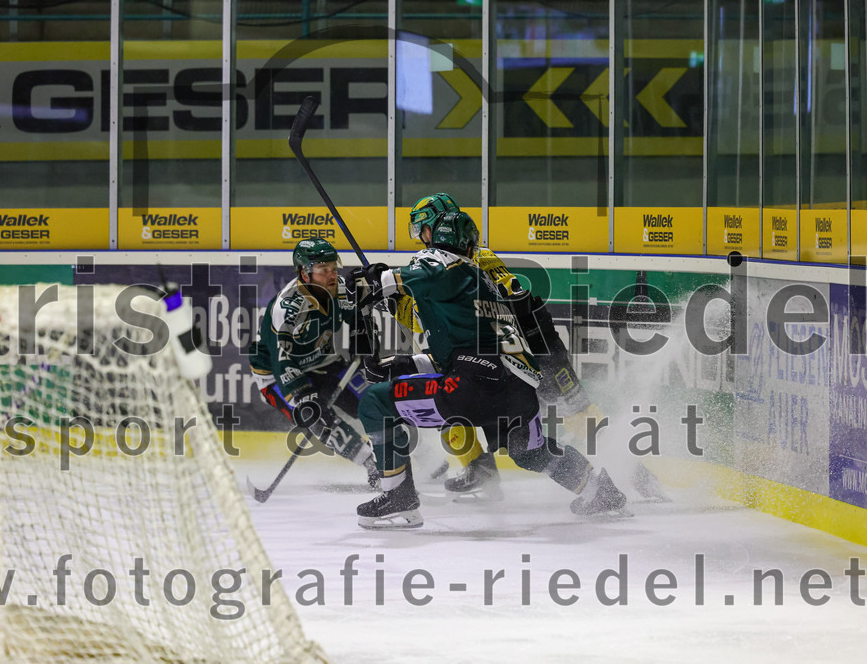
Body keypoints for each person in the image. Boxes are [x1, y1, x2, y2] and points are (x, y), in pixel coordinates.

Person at [350, 211, 628, 528]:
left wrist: (377, 279)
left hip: (473, 389)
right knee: (530, 452)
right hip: (518, 390)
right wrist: (404, 364)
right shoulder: (483, 283)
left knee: (375, 402)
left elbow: (411, 276)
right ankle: (601, 492)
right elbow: (458, 354)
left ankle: (399, 498)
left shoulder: (442, 262)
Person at [391, 193, 668, 503]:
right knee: (457, 409)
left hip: (533, 347)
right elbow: (428, 319)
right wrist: (399, 303)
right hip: (506, 356)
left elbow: (509, 302)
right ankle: (479, 467)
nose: (419, 238)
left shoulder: (466, 259)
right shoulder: (440, 264)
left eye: (422, 229)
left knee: (577, 415)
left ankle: (640, 477)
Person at [249, 238, 378, 487]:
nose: (331, 275)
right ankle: (371, 464)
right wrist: (303, 392)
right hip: (276, 374)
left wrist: (365, 332)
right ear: (304, 273)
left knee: (373, 400)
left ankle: (410, 456)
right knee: (319, 420)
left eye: (333, 268)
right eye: (323, 270)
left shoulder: (340, 289)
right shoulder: (287, 308)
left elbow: (358, 317)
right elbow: (281, 361)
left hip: (323, 361)